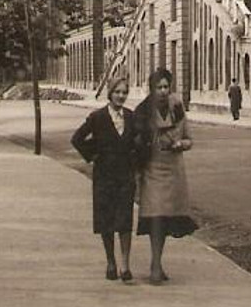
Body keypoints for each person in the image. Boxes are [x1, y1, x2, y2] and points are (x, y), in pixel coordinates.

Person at [71, 76, 138, 282]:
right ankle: (111, 261)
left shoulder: (131, 117)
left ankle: (125, 265)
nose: (121, 96)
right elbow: (77, 139)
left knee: (125, 219)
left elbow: (139, 142)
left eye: (124, 92)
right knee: (107, 220)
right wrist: (93, 155)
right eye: (117, 92)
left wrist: (136, 162)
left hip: (125, 176)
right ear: (110, 93)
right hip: (104, 176)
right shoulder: (97, 117)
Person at [134, 67, 196, 284]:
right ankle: (156, 266)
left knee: (166, 218)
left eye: (166, 87)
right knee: (156, 217)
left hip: (173, 169)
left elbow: (189, 138)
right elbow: (136, 143)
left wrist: (181, 143)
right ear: (151, 89)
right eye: (158, 87)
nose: (162, 91)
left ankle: (157, 262)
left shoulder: (176, 107)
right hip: (152, 169)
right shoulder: (143, 111)